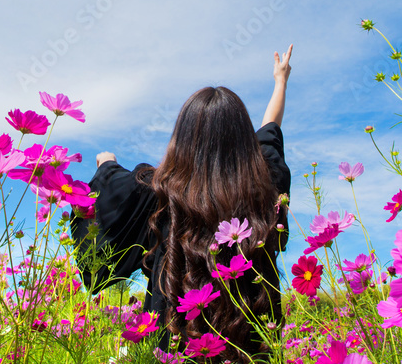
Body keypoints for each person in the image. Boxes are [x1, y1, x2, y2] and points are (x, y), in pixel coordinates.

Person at [71, 45, 293, 360]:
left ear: (182, 139)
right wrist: (280, 81)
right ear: (245, 141)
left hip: (174, 346)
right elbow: (270, 133)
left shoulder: (160, 191)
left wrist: (106, 164)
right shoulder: (263, 186)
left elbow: (110, 191)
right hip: (249, 346)